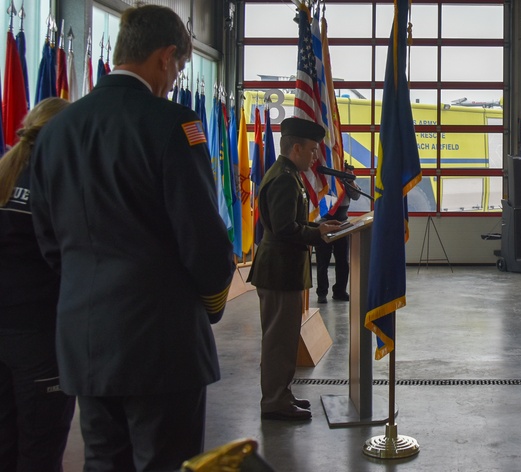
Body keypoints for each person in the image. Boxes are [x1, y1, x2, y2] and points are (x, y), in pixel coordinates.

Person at [29, 6, 236, 470]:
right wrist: (211, 304)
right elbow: (203, 240)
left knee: (104, 463)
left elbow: (47, 239)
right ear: (165, 58)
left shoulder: (56, 131)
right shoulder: (171, 125)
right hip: (161, 345)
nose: (176, 78)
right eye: (180, 66)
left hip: (86, 343)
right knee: (167, 461)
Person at [248, 117, 344, 421]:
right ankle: (274, 401)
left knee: (285, 338)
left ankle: (282, 393)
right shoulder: (284, 179)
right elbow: (285, 228)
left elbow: (292, 223)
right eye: (313, 150)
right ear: (297, 148)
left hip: (284, 270)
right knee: (278, 340)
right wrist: (317, 233)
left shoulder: (288, 175)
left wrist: (318, 226)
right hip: (278, 271)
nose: (315, 157)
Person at [0, 98, 75, 472]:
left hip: (6, 332)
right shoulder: (54, 188)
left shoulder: (5, 176)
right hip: (39, 338)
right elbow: (68, 260)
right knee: (40, 453)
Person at [315, 162, 362, 303]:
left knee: (343, 261)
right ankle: (322, 293)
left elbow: (356, 196)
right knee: (323, 261)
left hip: (342, 222)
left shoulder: (344, 179)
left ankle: (340, 291)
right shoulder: (325, 177)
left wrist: (349, 180)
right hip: (324, 220)